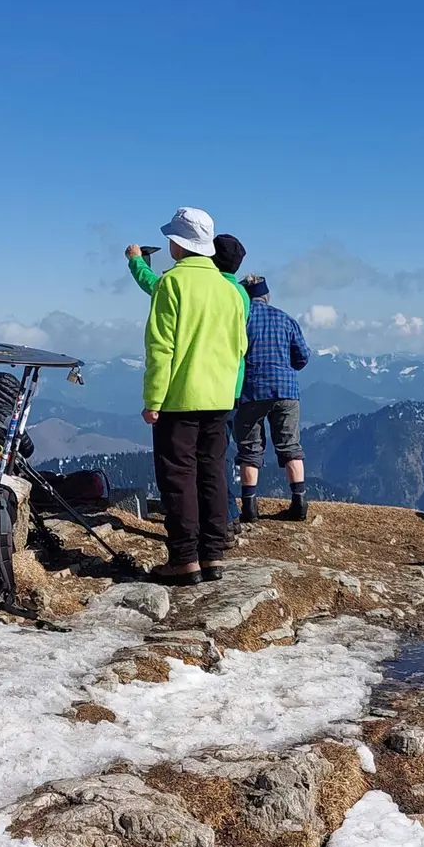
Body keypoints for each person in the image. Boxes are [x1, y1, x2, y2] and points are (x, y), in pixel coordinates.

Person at [142, 207, 249, 584]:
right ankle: (213, 555)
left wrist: (153, 400)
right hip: (220, 398)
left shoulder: (172, 284)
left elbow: (161, 348)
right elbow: (239, 347)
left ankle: (185, 558)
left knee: (178, 475)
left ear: (179, 244)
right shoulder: (231, 290)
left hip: (179, 398)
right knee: (213, 472)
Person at [128, 230, 251, 393]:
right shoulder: (240, 293)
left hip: (195, 384)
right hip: (231, 382)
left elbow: (155, 285)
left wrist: (137, 261)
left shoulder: (206, 286)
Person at [233, 275, 312, 522]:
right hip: (286, 390)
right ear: (267, 295)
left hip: (251, 390)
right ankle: (299, 502)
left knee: (249, 449)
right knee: (290, 446)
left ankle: (249, 506)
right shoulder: (286, 320)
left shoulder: (241, 319)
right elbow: (302, 358)